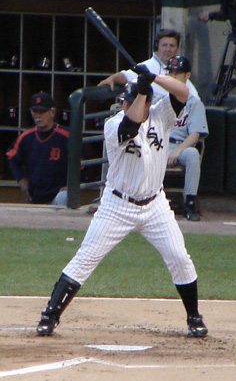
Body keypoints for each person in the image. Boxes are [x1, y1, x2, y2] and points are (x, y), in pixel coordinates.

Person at [35, 69, 208, 339]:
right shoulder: (115, 124)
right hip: (117, 206)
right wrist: (140, 91)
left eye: (132, 101)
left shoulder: (162, 114)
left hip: (155, 206)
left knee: (179, 258)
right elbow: (132, 123)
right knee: (86, 258)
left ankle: (194, 317)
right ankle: (50, 316)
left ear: (150, 102)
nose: (126, 105)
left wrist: (153, 78)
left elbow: (183, 93)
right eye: (125, 101)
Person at [98, 29, 199, 103]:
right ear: (157, 46)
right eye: (164, 45)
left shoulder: (179, 69)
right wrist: (112, 78)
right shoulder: (146, 66)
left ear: (177, 48)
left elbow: (195, 100)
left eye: (172, 46)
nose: (168, 49)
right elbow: (125, 76)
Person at [165, 56, 208, 221]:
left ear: (187, 75)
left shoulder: (194, 103)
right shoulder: (160, 100)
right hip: (159, 145)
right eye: (171, 72)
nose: (174, 75)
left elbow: (195, 135)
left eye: (178, 72)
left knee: (192, 154)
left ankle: (189, 203)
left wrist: (177, 150)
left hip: (179, 147)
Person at [6, 92, 69, 206]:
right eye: (35, 112)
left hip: (59, 195)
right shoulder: (26, 137)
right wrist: (21, 180)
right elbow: (11, 157)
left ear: (52, 112)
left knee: (64, 197)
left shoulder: (66, 135)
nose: (38, 116)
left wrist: (71, 184)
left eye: (42, 112)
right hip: (36, 196)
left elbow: (81, 163)